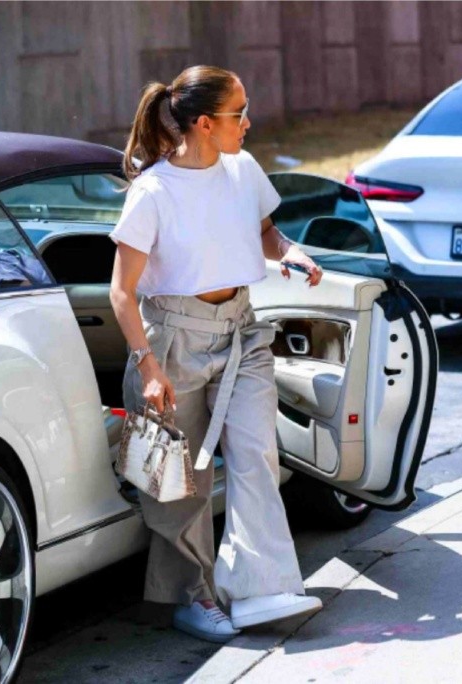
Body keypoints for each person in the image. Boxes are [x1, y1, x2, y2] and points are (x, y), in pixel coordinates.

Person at [109, 65, 324, 644]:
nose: (248, 122)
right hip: (172, 341)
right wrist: (147, 367)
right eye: (239, 113)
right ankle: (194, 596)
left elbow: (265, 233)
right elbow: (121, 292)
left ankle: (262, 589)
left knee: (257, 456)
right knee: (184, 483)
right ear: (205, 123)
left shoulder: (243, 169)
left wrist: (291, 252)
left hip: (241, 333)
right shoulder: (154, 192)